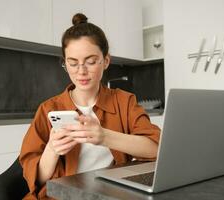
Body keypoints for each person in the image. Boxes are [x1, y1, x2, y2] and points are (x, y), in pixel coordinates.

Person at [19, 13, 161, 200]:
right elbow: (37, 180)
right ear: (65, 63)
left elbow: (156, 149)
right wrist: (52, 150)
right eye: (73, 63)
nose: (81, 71)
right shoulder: (48, 109)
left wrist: (105, 137)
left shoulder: (124, 101)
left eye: (91, 61)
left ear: (106, 61)